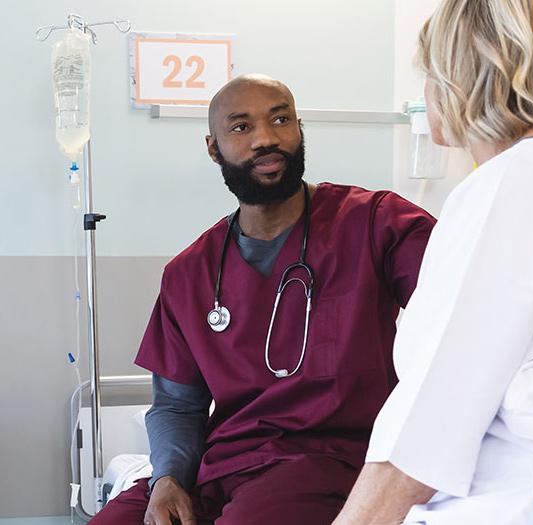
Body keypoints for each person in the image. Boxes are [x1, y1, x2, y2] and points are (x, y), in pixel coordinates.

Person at [332, 1, 533, 524]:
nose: (426, 90)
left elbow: (421, 440)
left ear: (466, 75)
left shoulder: (514, 184)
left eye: (430, 71)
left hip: (518, 505)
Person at [89, 74, 436, 525]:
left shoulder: (377, 222)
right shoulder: (189, 273)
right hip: (222, 467)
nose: (267, 139)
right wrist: (168, 479)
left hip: (330, 459)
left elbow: (464, 304)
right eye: (241, 127)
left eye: (280, 119)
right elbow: (177, 404)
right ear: (213, 148)